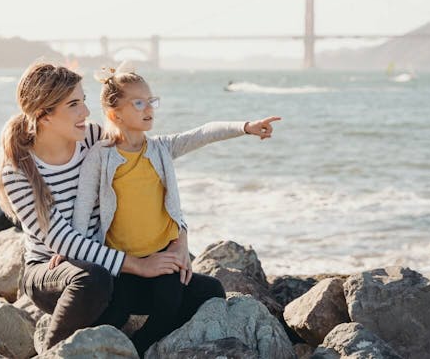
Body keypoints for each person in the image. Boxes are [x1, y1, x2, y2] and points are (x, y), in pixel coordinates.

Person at [72, 67, 280, 355]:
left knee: (206, 294)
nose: (149, 109)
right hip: (123, 263)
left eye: (151, 101)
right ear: (115, 114)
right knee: (113, 313)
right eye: (139, 102)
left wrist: (245, 126)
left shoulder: (160, 148)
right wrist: (72, 252)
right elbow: (83, 208)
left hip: (163, 258)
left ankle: (138, 348)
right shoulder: (100, 156)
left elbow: (203, 133)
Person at [0, 62, 184, 351]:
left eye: (83, 101)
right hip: (51, 272)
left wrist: (180, 238)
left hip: (107, 265)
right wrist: (139, 266)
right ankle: (53, 351)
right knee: (93, 279)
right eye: (73, 104)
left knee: (203, 290)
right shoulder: (18, 171)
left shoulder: (93, 138)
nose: (85, 112)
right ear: (44, 115)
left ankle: (136, 348)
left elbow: (147, 170)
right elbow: (61, 240)